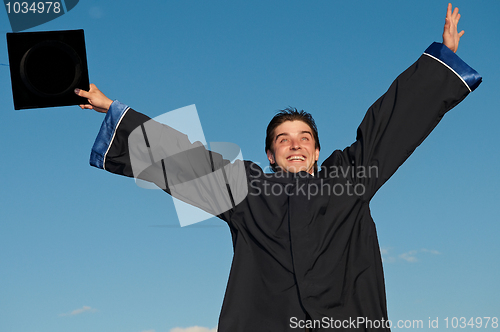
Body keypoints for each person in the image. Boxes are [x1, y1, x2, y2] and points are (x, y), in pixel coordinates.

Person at [76, 4, 481, 331]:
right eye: (283, 139)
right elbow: (186, 160)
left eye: (304, 137)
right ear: (270, 155)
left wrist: (439, 64)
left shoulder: (347, 181)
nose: (295, 144)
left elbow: (388, 127)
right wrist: (111, 108)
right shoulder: (248, 192)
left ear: (318, 151)